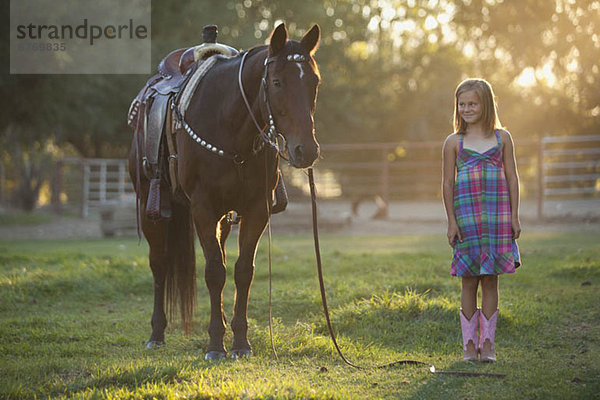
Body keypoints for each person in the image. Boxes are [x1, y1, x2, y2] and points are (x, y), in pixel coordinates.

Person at [441, 78, 521, 362]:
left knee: (490, 281)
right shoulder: (453, 142)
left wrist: (514, 216)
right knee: (468, 281)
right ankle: (468, 346)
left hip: (497, 220)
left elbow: (512, 178)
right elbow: (448, 184)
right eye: (462, 104)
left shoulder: (503, 138)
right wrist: (452, 221)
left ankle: (488, 345)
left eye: (472, 103)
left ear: (485, 104)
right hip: (467, 221)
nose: (466, 109)